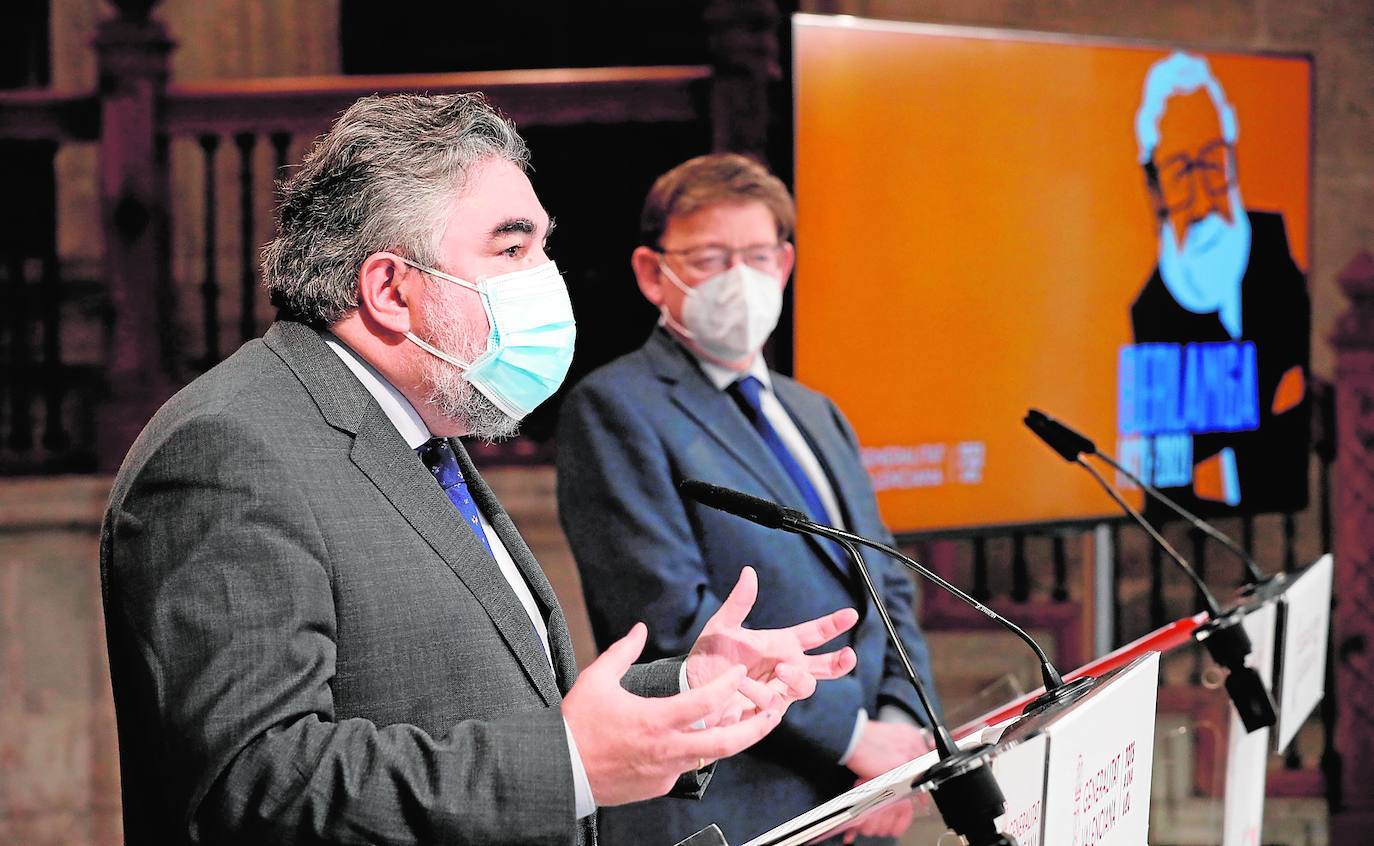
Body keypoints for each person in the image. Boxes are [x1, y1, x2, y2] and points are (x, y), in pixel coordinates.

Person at [99, 94, 863, 846]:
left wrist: (682, 692)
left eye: (542, 248)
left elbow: (470, 700)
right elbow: (255, 787)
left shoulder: (416, 424)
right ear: (390, 291)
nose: (547, 277)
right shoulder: (231, 448)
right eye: (511, 249)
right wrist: (571, 764)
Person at [555, 153, 941, 845]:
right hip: (731, 800)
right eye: (708, 257)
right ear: (652, 273)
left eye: (757, 255)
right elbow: (672, 618)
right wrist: (853, 738)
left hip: (865, 794)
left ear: (784, 265)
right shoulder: (614, 408)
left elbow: (886, 579)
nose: (739, 279)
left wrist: (902, 737)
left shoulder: (816, 411)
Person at [1124, 51, 1310, 516]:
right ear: (1155, 190)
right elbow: (1167, 483)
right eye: (1182, 172)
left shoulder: (1277, 248)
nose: (1204, 196)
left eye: (1213, 162)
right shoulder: (1151, 312)